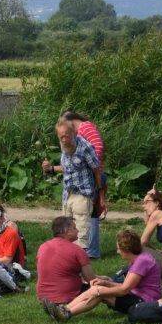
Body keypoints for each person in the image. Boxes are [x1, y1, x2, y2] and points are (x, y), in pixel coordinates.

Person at [42, 230, 162, 322]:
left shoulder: (141, 262)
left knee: (98, 293)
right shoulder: (140, 259)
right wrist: (106, 283)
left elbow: (124, 290)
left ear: (126, 250)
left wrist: (102, 290)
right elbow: (127, 286)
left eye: (118, 249)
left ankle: (64, 311)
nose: (117, 252)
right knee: (98, 291)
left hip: (144, 302)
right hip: (138, 297)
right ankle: (64, 311)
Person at [41, 119, 102, 252]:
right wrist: (50, 168)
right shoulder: (64, 146)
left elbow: (97, 169)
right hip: (67, 194)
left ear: (73, 133)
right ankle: (66, 263)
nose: (63, 139)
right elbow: (68, 167)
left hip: (83, 194)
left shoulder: (85, 147)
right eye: (60, 136)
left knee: (80, 234)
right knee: (65, 231)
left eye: (66, 135)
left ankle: (81, 267)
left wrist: (98, 194)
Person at [61, 111, 107, 259]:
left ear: (70, 122)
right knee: (85, 216)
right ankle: (85, 251)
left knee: (86, 216)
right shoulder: (72, 140)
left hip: (91, 179)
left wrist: (87, 164)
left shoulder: (85, 127)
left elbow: (98, 148)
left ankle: (90, 251)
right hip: (79, 185)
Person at [36, 216, 97, 305]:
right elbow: (92, 280)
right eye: (74, 228)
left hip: (43, 298)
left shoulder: (43, 247)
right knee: (100, 291)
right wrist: (106, 280)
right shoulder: (77, 250)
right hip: (68, 297)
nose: (77, 231)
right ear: (67, 231)